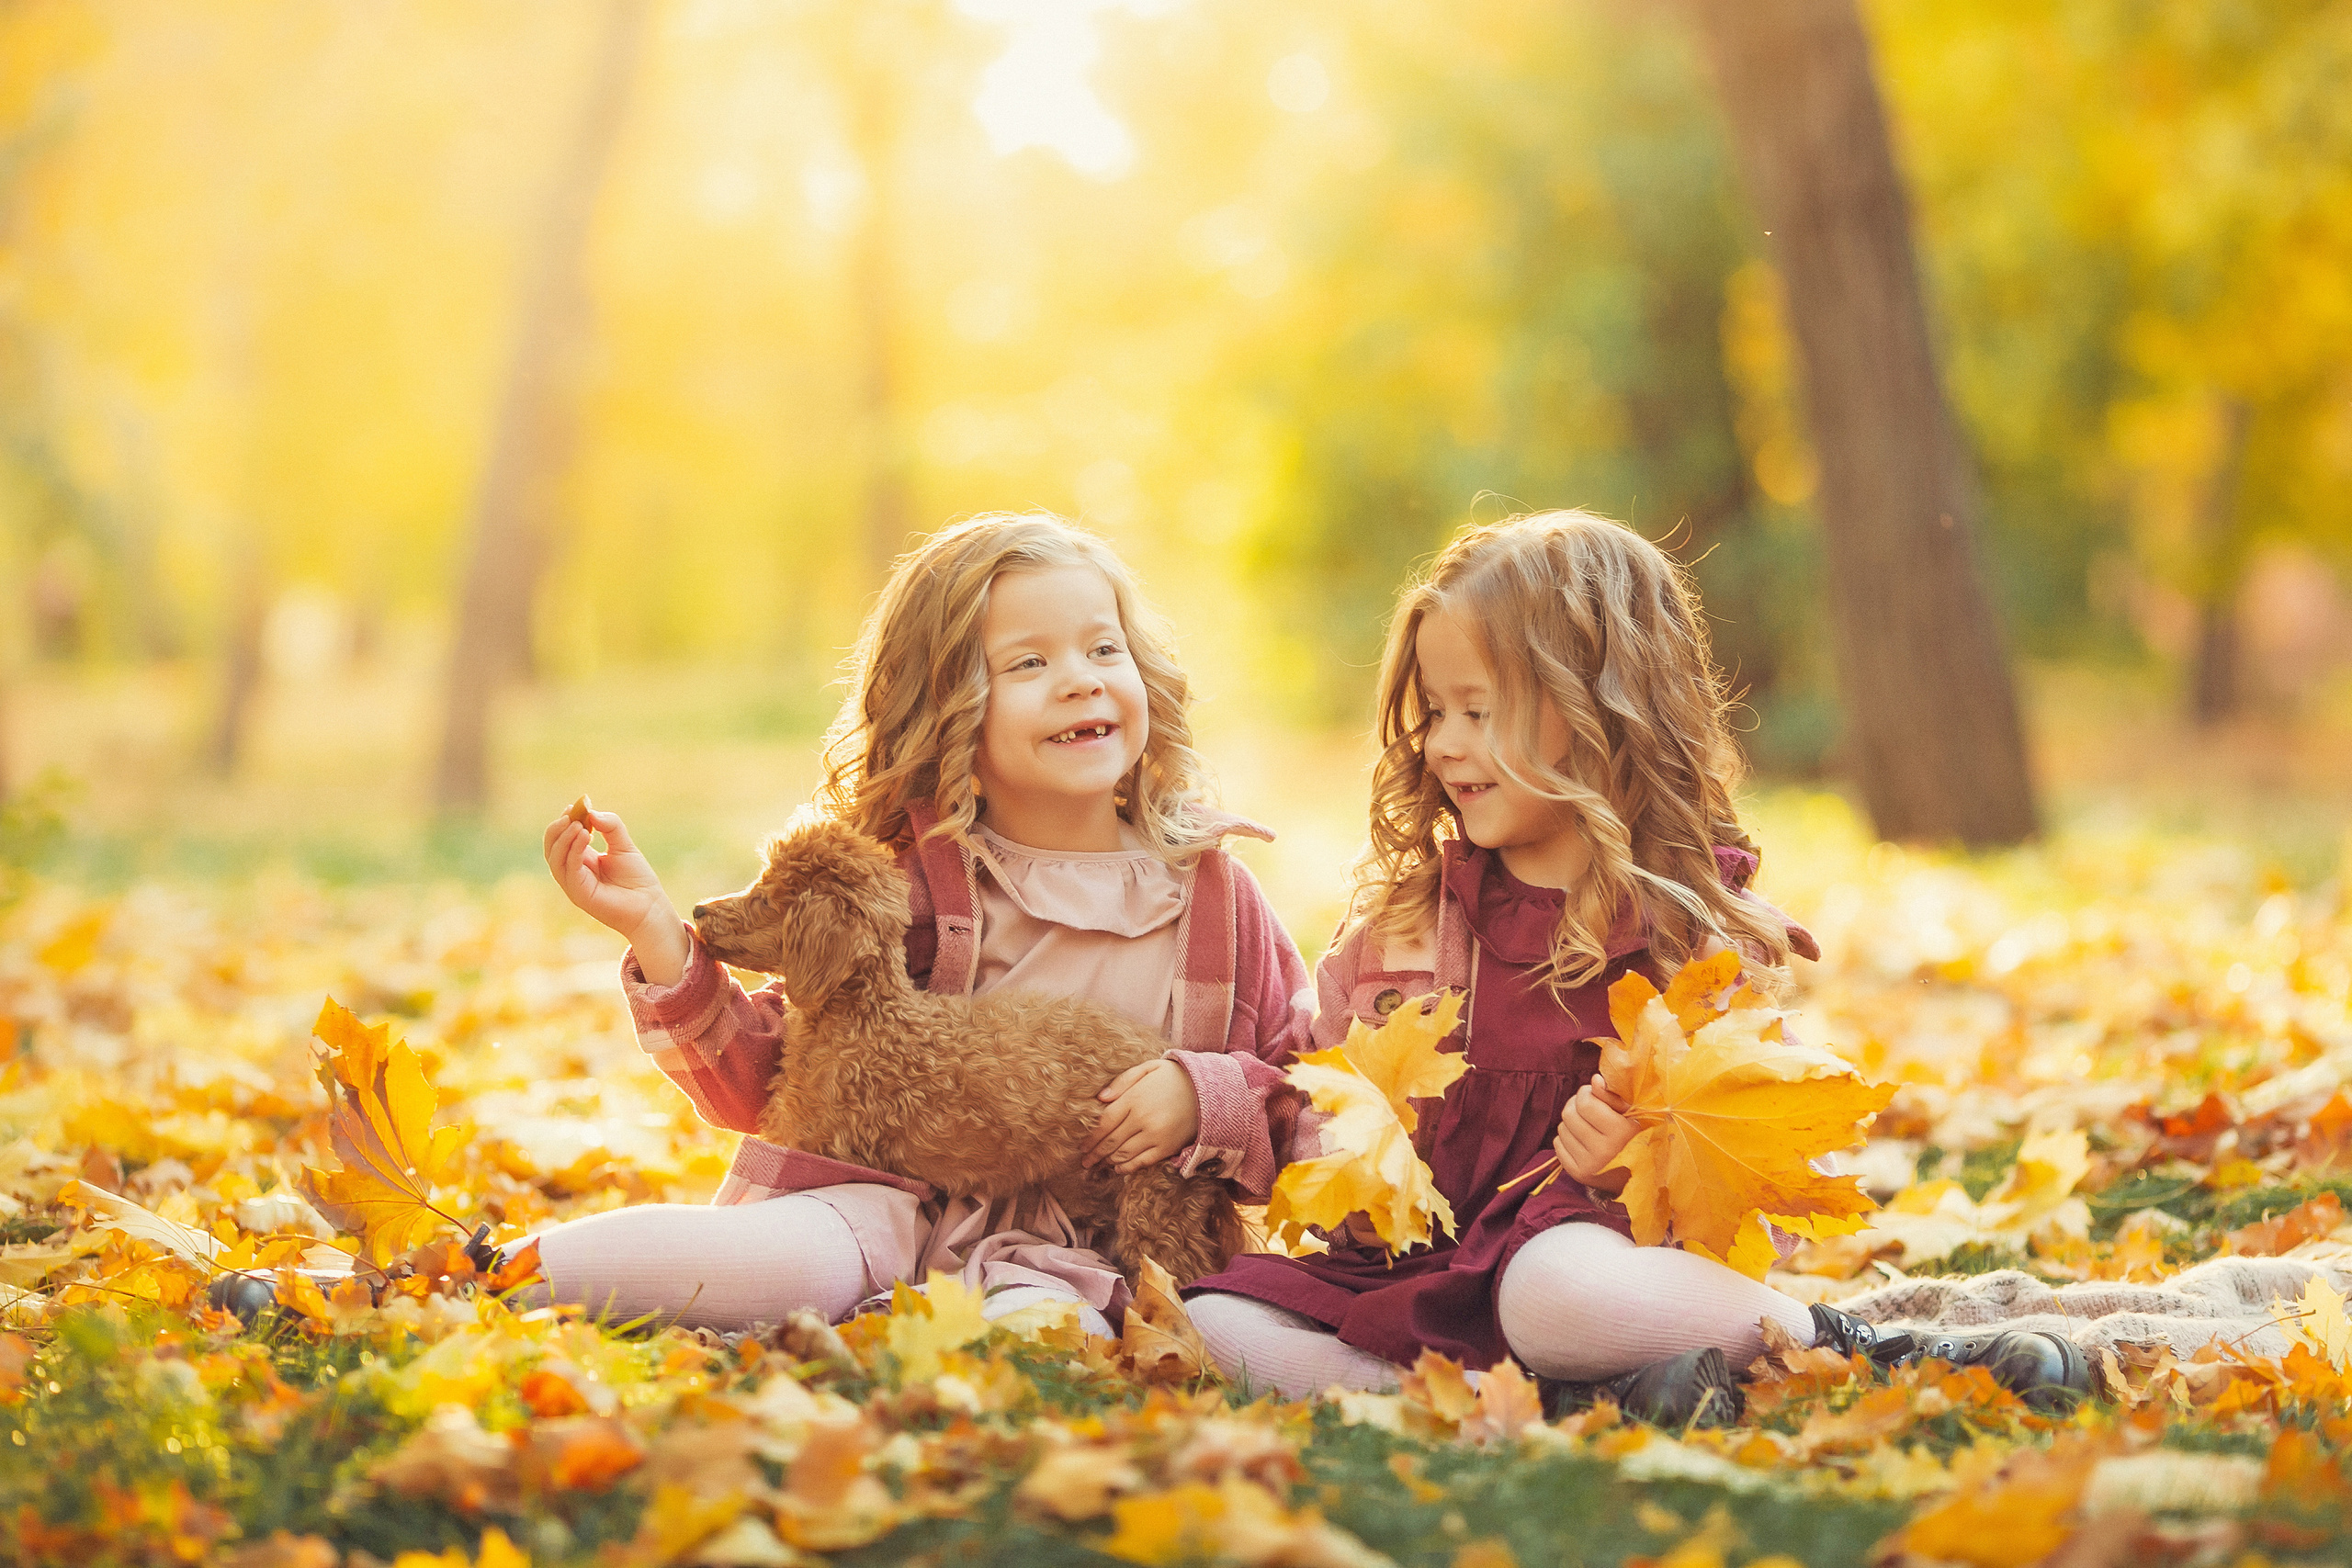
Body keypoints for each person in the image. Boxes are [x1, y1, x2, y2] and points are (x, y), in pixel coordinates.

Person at [1181, 511, 2088, 1421]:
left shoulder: (1689, 934)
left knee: (1551, 1294)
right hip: (1427, 1267)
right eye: (1435, 712)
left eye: (1477, 710)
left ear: (1591, 709)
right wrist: (1342, 1149)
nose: (1442, 743)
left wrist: (1631, 1160)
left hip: (1592, 1259)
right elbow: (1319, 1093)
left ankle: (1869, 1346)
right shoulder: (1409, 926)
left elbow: (1740, 1166)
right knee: (1218, 1315)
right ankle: (1543, 1405)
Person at [520, 513, 1315, 1339]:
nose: (1080, 680)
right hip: (882, 1216)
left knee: (1045, 1329)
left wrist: (1205, 1096)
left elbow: (1305, 1088)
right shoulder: (914, 880)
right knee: (778, 1258)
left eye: (1104, 649)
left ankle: (989, 1355)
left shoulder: (1215, 898)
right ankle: (499, 1269)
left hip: (1102, 1245)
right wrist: (657, 931)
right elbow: (777, 1084)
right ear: (950, 708)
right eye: (1030, 662)